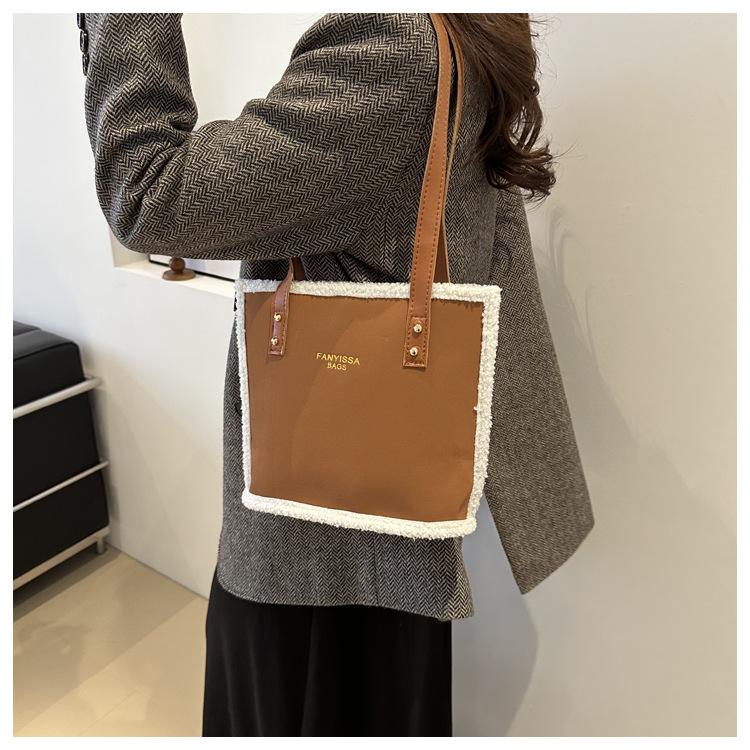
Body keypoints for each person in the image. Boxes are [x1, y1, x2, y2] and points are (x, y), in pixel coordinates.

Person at [77, 12, 594, 737]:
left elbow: (149, 195)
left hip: (321, 563)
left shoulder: (390, 46)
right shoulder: (451, 37)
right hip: (377, 546)